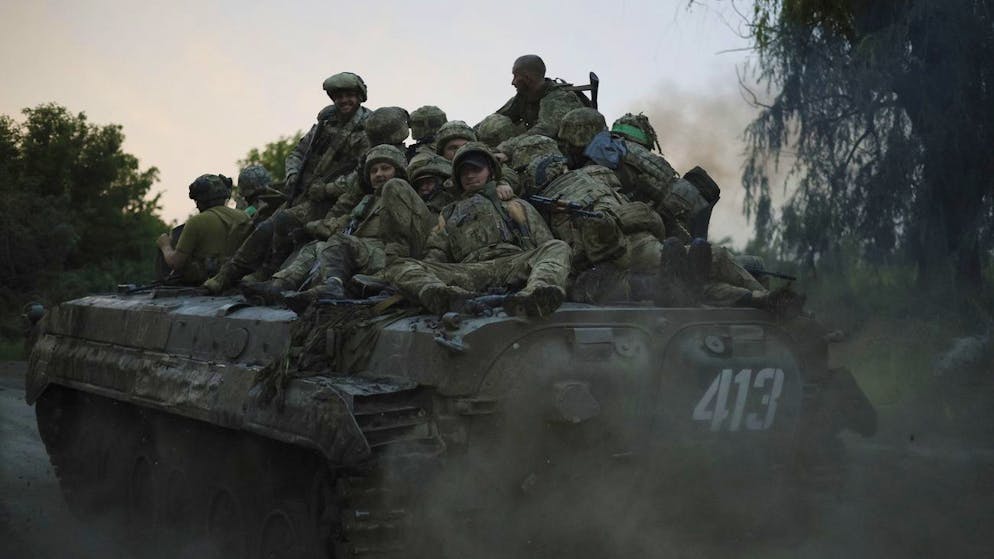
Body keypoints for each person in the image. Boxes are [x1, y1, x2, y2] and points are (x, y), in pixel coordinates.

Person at [203, 72, 372, 293]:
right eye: (338, 96)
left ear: (360, 96)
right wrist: (293, 175)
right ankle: (227, 274)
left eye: (349, 95)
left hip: (337, 202)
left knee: (283, 221)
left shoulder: (367, 128)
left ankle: (266, 271)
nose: (344, 101)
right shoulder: (325, 124)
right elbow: (297, 153)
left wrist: (328, 189)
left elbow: (364, 172)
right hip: (304, 194)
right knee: (263, 227)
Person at [382, 143, 571, 317]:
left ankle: (537, 293)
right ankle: (443, 296)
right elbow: (436, 252)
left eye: (476, 169)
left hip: (513, 263)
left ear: (490, 171)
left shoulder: (514, 204)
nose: (470, 175)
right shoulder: (449, 213)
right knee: (397, 265)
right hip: (468, 272)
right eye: (464, 172)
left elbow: (544, 241)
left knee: (557, 247)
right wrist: (429, 272)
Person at [243, 144, 433, 310]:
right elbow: (342, 224)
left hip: (389, 257)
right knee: (316, 247)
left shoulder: (403, 194)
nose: (379, 174)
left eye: (385, 168)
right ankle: (279, 285)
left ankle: (332, 285)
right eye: (374, 170)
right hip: (363, 251)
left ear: (398, 171)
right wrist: (309, 226)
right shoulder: (368, 201)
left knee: (340, 242)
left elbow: (407, 236)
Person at [157, 174, 251, 285]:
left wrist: (165, 245)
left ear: (199, 201)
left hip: (204, 284)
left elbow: (175, 263)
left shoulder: (196, 222)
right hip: (237, 279)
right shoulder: (244, 217)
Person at [495, 54, 585, 138]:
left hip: (560, 150)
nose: (513, 82)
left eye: (516, 76)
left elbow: (544, 131)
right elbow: (497, 118)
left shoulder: (559, 98)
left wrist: (503, 148)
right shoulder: (523, 97)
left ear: (528, 78)